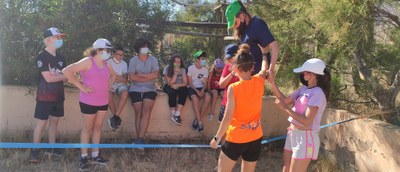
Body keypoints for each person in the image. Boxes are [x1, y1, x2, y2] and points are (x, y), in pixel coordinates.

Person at [210, 44, 268, 172]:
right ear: (252, 67)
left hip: (236, 138)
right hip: (255, 137)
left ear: (236, 69)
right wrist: (264, 54)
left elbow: (227, 116)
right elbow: (264, 68)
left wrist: (217, 138)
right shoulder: (259, 80)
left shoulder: (234, 88)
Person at [267, 58, 331, 172]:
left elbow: (307, 121)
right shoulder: (303, 89)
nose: (302, 74)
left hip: (306, 139)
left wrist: (285, 109)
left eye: (305, 72)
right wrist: (272, 82)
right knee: (286, 168)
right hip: (294, 134)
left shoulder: (318, 94)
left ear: (312, 74)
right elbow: (285, 100)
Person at [62, 38, 116, 172]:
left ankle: (95, 155)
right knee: (87, 129)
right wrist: (82, 87)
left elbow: (113, 74)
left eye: (110, 50)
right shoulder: (87, 62)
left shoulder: (106, 63)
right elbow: (66, 71)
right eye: (107, 50)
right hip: (88, 102)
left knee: (97, 128)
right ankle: (84, 157)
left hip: (103, 102)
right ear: (98, 50)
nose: (109, 53)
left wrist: (110, 83)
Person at [30, 27, 67, 163]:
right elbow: (48, 79)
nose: (60, 40)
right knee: (41, 123)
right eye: (57, 37)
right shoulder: (41, 56)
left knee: (54, 123)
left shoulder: (61, 58)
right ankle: (34, 151)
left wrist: (55, 74)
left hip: (58, 96)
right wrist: (59, 76)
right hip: (44, 96)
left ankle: (52, 148)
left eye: (60, 37)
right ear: (48, 40)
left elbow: (67, 77)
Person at [225, 0, 279, 74]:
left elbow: (274, 46)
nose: (234, 27)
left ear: (241, 16)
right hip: (248, 75)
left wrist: (271, 70)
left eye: (235, 23)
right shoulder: (243, 30)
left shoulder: (257, 24)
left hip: (260, 75)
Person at [128, 38, 159, 144]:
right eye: (143, 46)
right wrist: (148, 77)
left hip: (150, 89)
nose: (145, 48)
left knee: (146, 111)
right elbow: (132, 77)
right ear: (138, 48)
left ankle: (140, 139)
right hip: (135, 89)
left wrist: (140, 75)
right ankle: (139, 140)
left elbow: (156, 75)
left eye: (146, 46)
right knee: (138, 113)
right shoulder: (133, 60)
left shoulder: (153, 60)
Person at [187, 50, 211, 132]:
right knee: (195, 99)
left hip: (202, 87)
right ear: (197, 59)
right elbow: (189, 82)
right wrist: (196, 91)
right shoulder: (191, 68)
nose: (204, 60)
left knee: (208, 98)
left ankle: (196, 120)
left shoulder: (205, 69)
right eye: (202, 58)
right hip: (192, 87)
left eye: (205, 58)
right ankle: (200, 122)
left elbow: (205, 82)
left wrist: (203, 90)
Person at [106, 44, 129, 130]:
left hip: (120, 85)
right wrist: (116, 77)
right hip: (109, 84)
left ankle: (115, 118)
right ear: (113, 54)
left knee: (125, 93)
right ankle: (116, 118)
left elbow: (125, 79)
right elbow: (106, 77)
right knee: (108, 97)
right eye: (118, 54)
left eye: (122, 55)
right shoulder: (108, 62)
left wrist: (114, 76)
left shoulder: (124, 64)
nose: (120, 56)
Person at [163, 54, 188, 126]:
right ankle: (173, 114)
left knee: (184, 91)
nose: (177, 63)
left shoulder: (183, 69)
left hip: (179, 85)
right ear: (172, 62)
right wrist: (176, 74)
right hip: (168, 86)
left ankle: (177, 114)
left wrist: (177, 85)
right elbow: (169, 83)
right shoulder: (167, 68)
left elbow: (185, 83)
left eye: (179, 62)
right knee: (172, 93)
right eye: (175, 62)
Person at [218, 44, 239, 123]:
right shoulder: (227, 67)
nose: (229, 60)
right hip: (226, 103)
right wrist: (232, 73)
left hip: (239, 105)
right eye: (227, 58)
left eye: (230, 57)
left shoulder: (245, 68)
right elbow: (221, 85)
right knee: (223, 130)